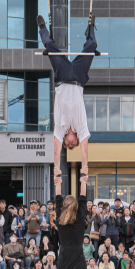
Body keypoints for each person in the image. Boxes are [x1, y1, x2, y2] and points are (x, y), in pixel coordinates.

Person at [40, 14, 95, 180]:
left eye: (67, 145)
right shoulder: (82, 128)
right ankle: (90, 28)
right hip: (78, 78)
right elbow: (84, 151)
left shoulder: (59, 130)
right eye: (73, 145)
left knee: (50, 45)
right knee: (92, 45)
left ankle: (42, 28)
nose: (70, 145)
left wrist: (56, 169)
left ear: (64, 139)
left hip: (63, 78)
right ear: (77, 139)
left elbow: (57, 151)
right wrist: (84, 169)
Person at [54, 163, 90, 269]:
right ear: (76, 207)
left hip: (64, 257)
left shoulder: (60, 219)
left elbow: (57, 198)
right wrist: (84, 179)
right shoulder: (81, 216)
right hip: (78, 256)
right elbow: (83, 198)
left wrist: (58, 180)